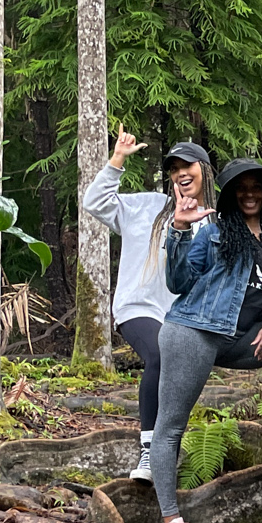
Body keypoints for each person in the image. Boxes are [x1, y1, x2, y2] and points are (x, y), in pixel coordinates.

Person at [150, 158, 262, 523]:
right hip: (193, 331)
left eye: (257, 188)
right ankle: (171, 521)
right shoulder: (214, 234)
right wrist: (181, 229)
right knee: (170, 427)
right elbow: (178, 281)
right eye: (242, 188)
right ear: (233, 195)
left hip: (243, 340)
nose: (250, 194)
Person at [79, 130, 213, 483]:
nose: (181, 174)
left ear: (205, 170)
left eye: (188, 166)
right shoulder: (148, 207)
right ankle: (149, 452)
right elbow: (95, 202)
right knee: (159, 356)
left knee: (178, 371)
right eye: (174, 169)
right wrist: (117, 159)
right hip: (137, 307)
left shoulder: (215, 225)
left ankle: (168, 448)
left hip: (183, 318)